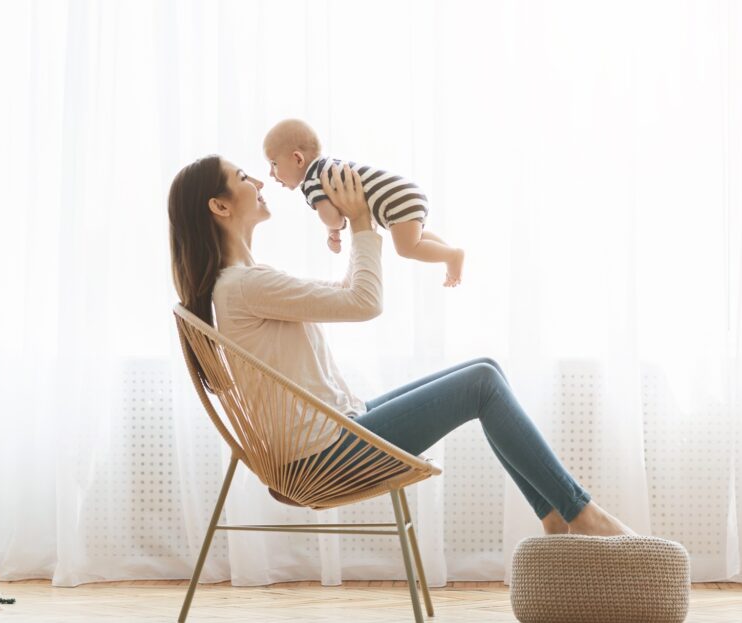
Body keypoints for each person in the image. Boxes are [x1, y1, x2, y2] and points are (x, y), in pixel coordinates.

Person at [167, 154, 633, 536]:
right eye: (242, 177)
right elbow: (364, 302)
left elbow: (345, 295)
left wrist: (357, 224)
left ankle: (555, 518)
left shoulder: (243, 284)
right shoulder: (244, 286)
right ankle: (582, 514)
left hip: (336, 431)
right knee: (483, 383)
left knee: (486, 367)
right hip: (324, 456)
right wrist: (362, 220)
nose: (257, 180)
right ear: (220, 207)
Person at [262, 118, 465, 287]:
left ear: (298, 159)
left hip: (396, 200)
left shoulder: (312, 181)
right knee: (416, 239)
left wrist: (335, 227)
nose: (271, 173)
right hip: (405, 193)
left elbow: (331, 216)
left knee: (406, 248)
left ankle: (452, 255)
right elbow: (334, 207)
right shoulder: (326, 167)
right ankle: (451, 254)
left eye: (274, 164)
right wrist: (333, 228)